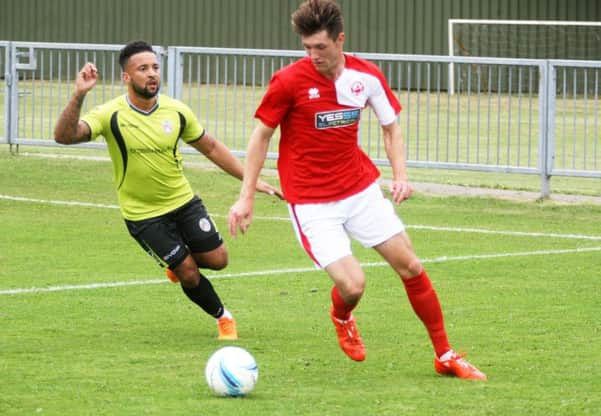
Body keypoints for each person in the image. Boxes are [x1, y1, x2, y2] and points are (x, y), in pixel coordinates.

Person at [228, 0, 486, 380]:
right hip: (312, 202)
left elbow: (391, 127)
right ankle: (342, 314)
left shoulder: (366, 77)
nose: (313, 55)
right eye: (306, 47)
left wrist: (401, 175)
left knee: (411, 266)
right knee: (353, 285)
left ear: (340, 40)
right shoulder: (288, 81)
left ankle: (445, 354)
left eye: (321, 47)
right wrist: (246, 195)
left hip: (360, 190)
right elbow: (261, 136)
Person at [54, 40, 281, 341]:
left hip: (184, 202)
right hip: (143, 215)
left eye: (155, 68)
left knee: (219, 260)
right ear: (126, 77)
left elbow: (211, 147)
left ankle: (176, 261)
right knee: (188, 272)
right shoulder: (110, 114)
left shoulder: (176, 111)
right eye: (143, 69)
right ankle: (223, 318)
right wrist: (78, 95)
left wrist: (249, 180)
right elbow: (64, 136)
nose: (152, 75)